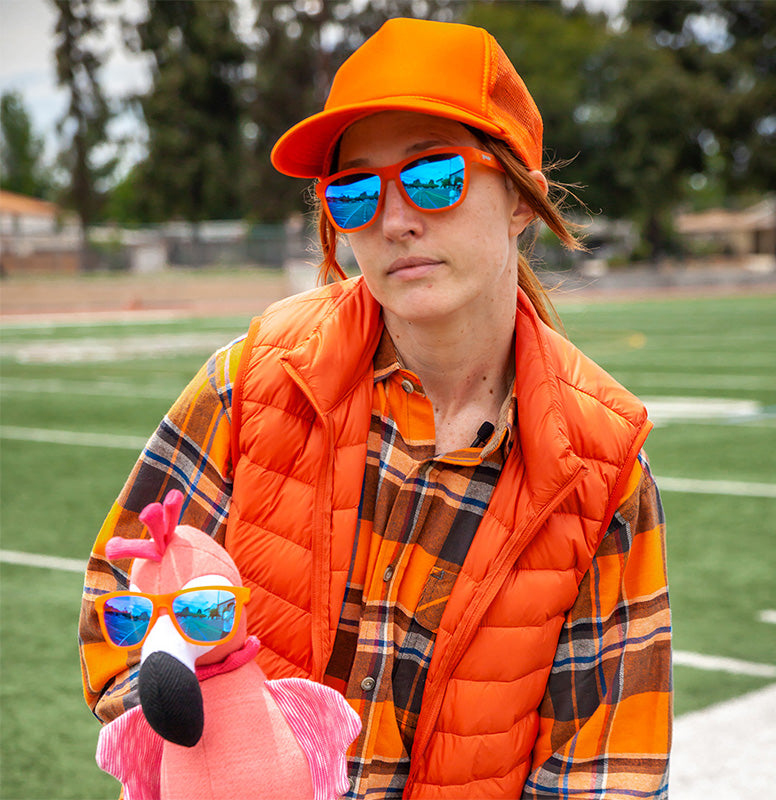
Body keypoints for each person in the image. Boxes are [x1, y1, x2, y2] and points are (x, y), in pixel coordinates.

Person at [80, 17, 671, 799]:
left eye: (434, 176)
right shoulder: (254, 380)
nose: (395, 220)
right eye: (355, 191)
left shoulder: (603, 466)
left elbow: (605, 775)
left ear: (522, 197)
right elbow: (115, 610)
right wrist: (206, 736)